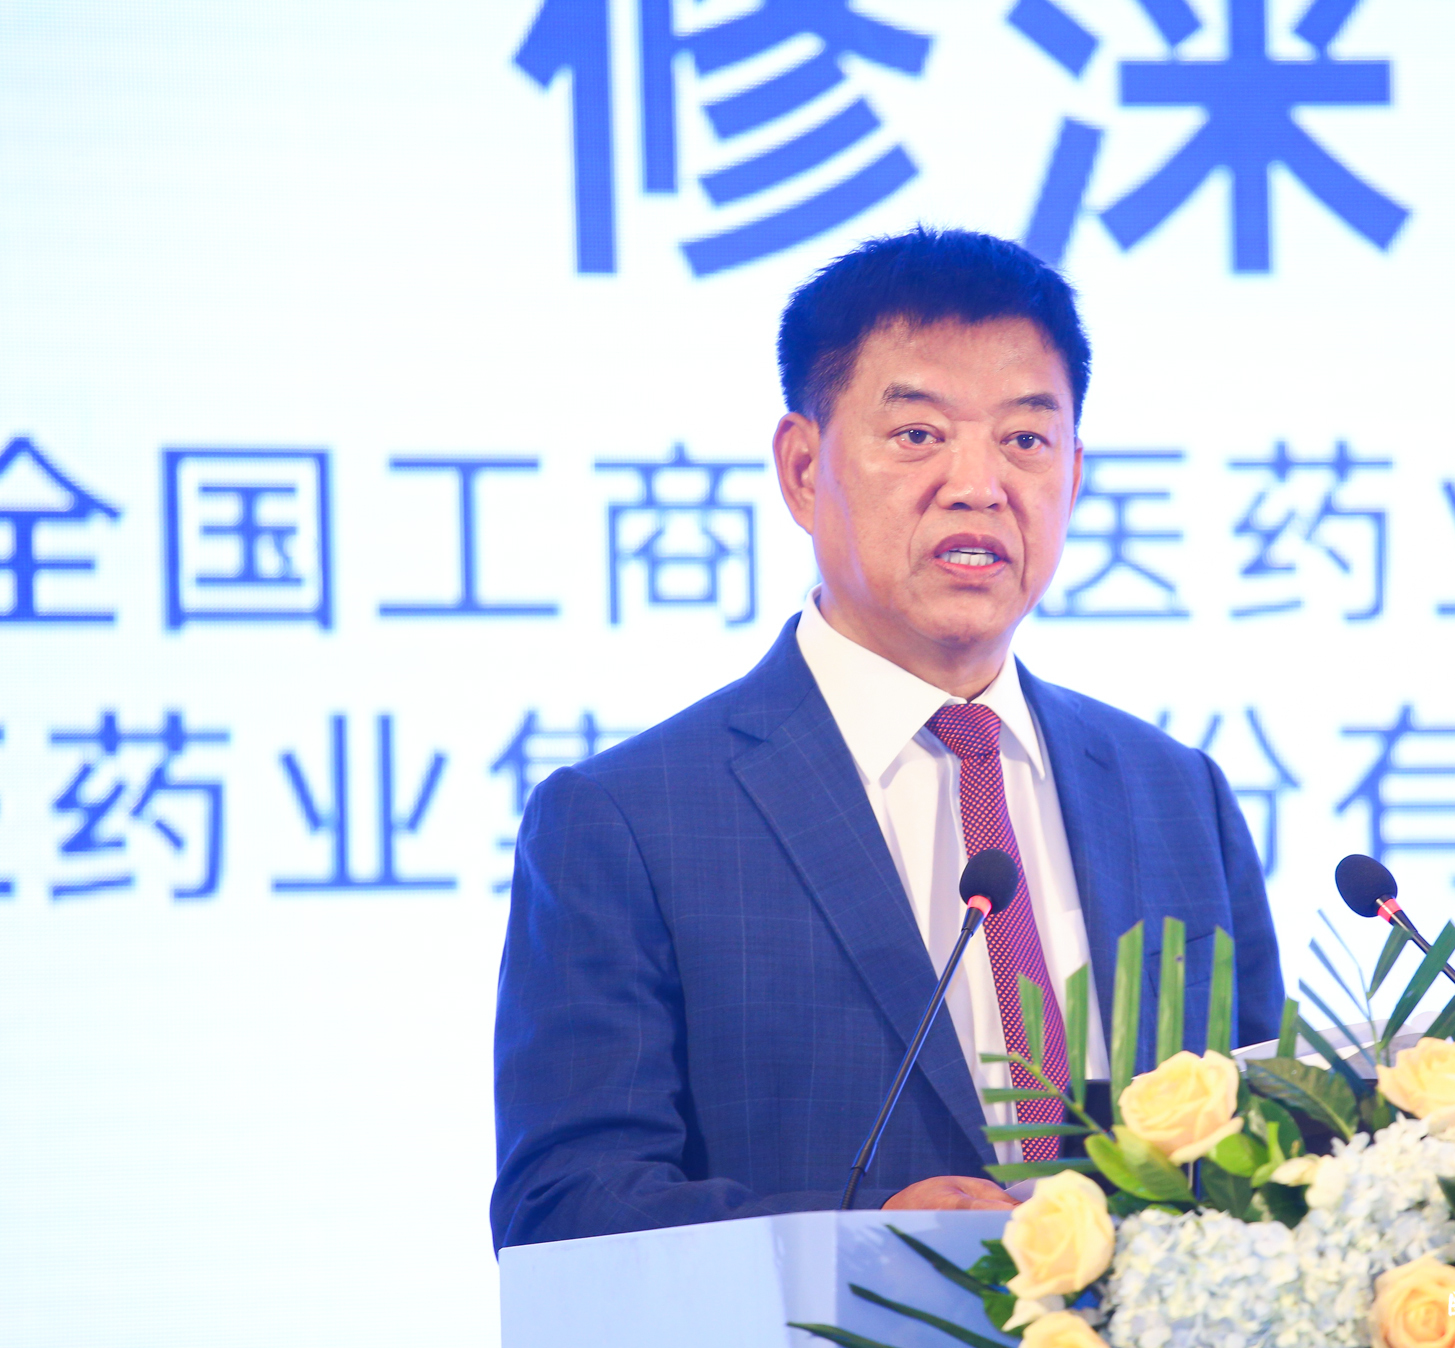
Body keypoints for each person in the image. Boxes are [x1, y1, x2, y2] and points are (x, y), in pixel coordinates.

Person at [491, 228, 1282, 1251]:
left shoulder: (1175, 798)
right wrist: (864, 1242)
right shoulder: (631, 822)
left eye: (1025, 440)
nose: (978, 484)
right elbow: (568, 1210)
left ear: (1075, 474)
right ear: (802, 468)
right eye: (917, 434)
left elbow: (1274, 1161)